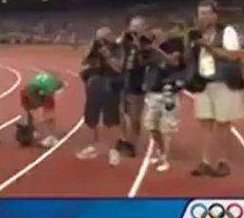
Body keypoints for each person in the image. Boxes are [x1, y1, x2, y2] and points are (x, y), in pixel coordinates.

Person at [187, 0, 244, 177]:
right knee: (204, 123)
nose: (203, 17)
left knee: (223, 124)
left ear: (215, 15)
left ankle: (223, 162)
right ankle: (205, 162)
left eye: (207, 13)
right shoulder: (195, 35)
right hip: (203, 83)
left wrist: (208, 47)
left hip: (224, 82)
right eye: (200, 13)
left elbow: (232, 55)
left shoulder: (227, 31)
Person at [76, 27, 123, 166]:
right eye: (98, 38)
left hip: (111, 84)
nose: (100, 41)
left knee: (112, 119)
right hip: (94, 82)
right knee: (92, 116)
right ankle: (95, 144)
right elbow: (84, 62)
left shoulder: (117, 49)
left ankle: (114, 150)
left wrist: (107, 55)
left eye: (103, 38)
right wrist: (92, 48)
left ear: (110, 37)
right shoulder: (94, 50)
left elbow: (119, 68)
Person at [142, 25, 186, 172]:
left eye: (157, 32)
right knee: (151, 125)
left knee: (166, 128)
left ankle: (165, 159)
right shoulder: (148, 49)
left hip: (169, 92)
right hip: (154, 92)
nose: (155, 35)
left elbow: (174, 61)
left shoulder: (175, 45)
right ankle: (160, 152)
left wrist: (157, 49)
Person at [118, 16, 150, 158]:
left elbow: (146, 60)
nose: (135, 28)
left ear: (144, 27)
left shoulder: (147, 42)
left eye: (138, 25)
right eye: (133, 25)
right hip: (124, 80)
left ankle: (133, 143)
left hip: (138, 82)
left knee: (135, 116)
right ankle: (124, 139)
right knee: (121, 113)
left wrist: (138, 44)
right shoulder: (126, 41)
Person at [18, 71, 62, 147]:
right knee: (38, 113)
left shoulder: (49, 87)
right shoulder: (26, 92)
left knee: (46, 115)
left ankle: (50, 137)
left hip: (37, 90)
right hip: (36, 90)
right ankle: (35, 130)